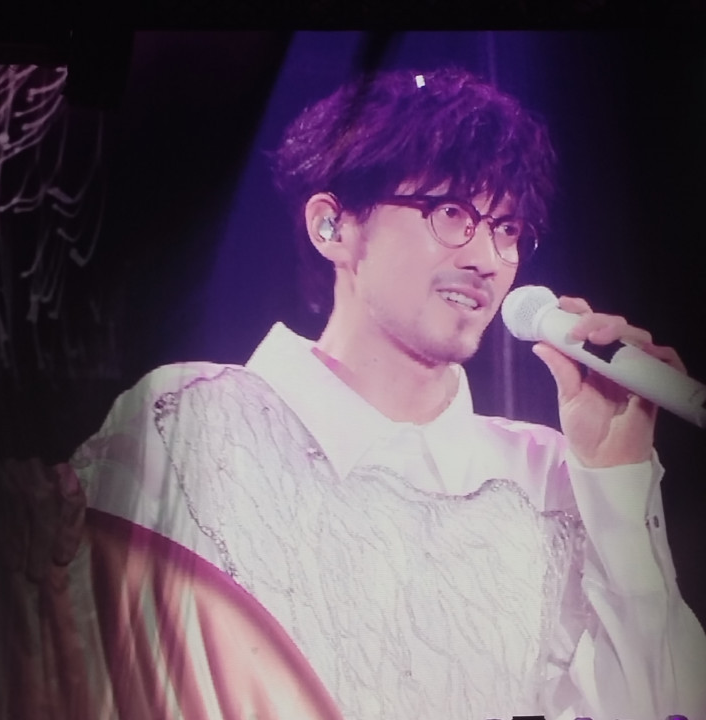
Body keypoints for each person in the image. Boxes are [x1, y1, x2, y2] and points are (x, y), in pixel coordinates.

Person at [72, 67, 706, 719]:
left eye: (508, 229)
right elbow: (79, 668)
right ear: (333, 226)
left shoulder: (545, 476)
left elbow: (661, 706)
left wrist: (616, 477)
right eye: (452, 212)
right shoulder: (192, 424)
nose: (487, 258)